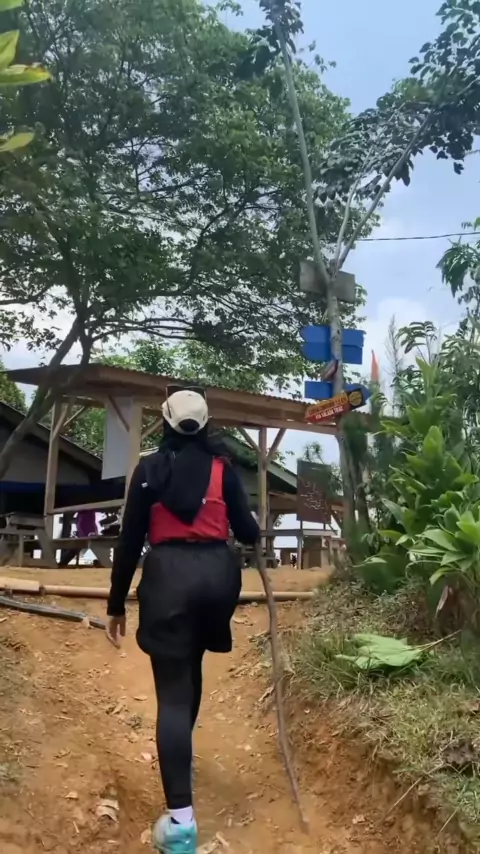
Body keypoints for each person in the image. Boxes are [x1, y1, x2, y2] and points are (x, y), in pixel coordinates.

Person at [105, 389, 260, 854]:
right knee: (191, 665)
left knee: (172, 692)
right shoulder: (223, 470)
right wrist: (246, 523)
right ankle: (182, 758)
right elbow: (248, 531)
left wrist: (116, 604)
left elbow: (129, 543)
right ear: (206, 424)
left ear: (166, 422)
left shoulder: (149, 471)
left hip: (169, 578)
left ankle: (180, 824)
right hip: (217, 580)